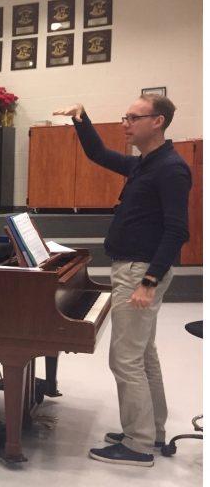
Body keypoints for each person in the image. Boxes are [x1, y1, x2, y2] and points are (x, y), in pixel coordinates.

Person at [54, 97, 191, 467]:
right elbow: (98, 154)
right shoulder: (144, 164)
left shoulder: (170, 169)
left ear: (158, 121)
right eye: (125, 116)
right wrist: (82, 120)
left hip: (139, 271)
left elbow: (177, 230)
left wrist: (149, 281)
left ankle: (137, 443)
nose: (126, 123)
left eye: (133, 117)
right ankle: (152, 430)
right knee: (144, 355)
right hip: (134, 268)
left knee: (125, 359)